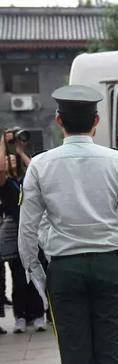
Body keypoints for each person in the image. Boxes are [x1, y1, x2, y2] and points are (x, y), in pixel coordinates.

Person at [18, 84, 118, 364]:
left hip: (65, 268)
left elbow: (27, 228)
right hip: (110, 266)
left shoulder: (41, 165)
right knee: (110, 357)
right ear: (97, 121)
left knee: (74, 359)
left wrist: (37, 274)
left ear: (59, 120)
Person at [0, 131, 46, 334]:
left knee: (36, 273)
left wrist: (20, 150)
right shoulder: (7, 185)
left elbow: (37, 169)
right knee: (19, 277)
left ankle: (38, 315)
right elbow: (0, 169)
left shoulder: (29, 180)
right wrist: (3, 142)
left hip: (34, 233)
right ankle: (20, 316)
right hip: (15, 234)